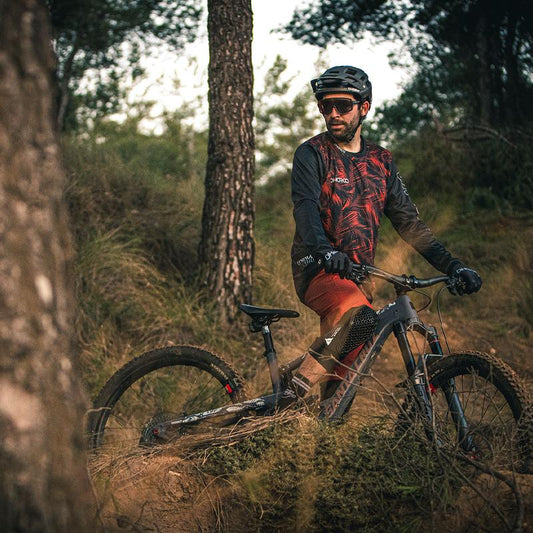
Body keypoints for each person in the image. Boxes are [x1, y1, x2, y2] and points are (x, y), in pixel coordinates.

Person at [288, 65, 482, 399]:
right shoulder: (312, 154)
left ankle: (316, 417)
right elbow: (305, 209)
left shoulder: (381, 161)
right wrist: (326, 251)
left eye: (342, 106)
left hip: (360, 276)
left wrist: (453, 265)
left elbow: (410, 224)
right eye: (325, 106)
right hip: (317, 266)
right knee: (360, 318)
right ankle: (293, 392)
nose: (333, 114)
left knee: (343, 377)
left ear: (364, 107)